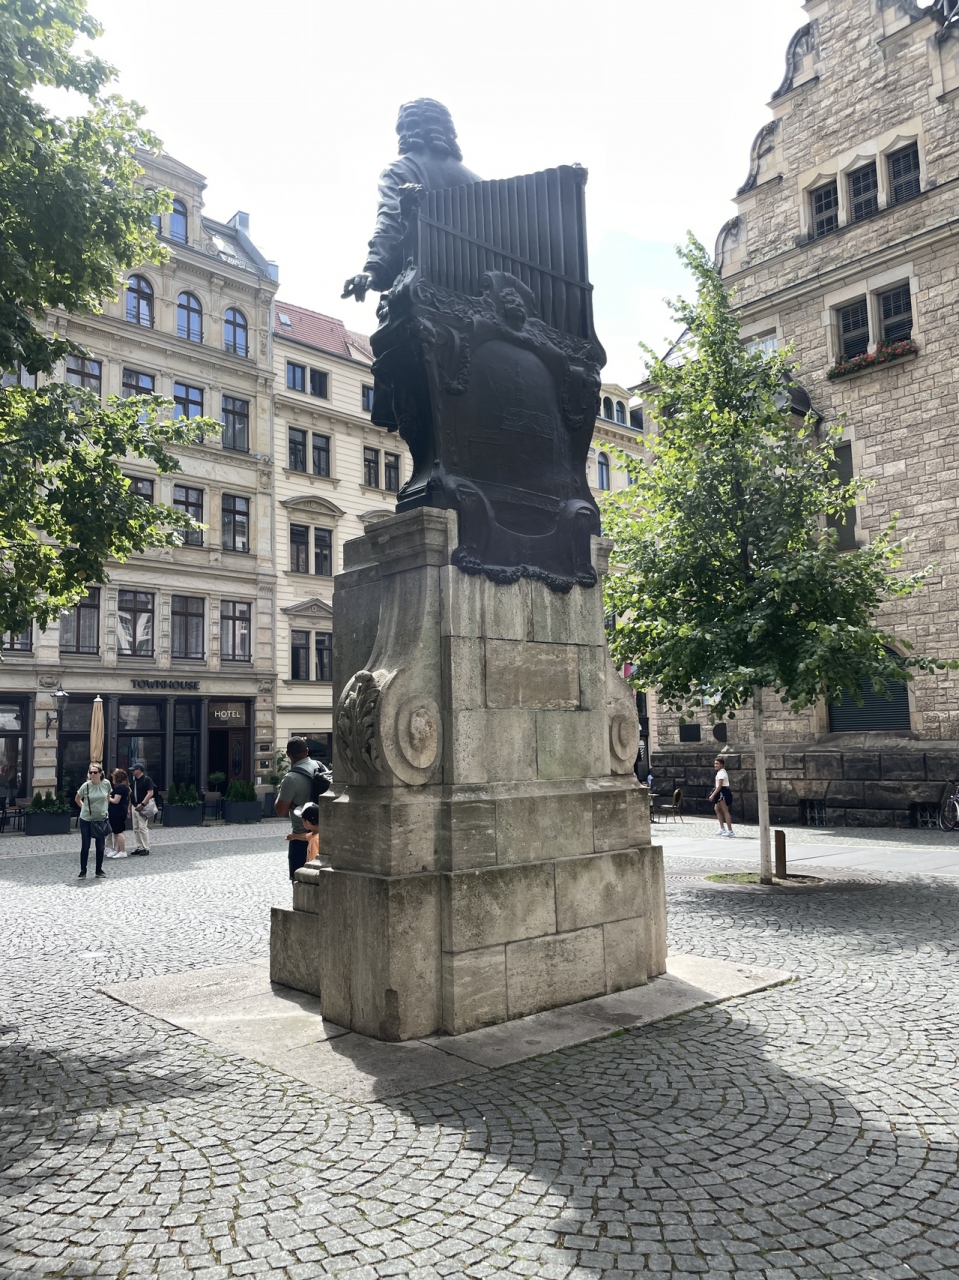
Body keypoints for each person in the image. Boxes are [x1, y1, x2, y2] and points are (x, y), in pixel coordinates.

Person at [274, 738, 320, 881]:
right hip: (321, 834)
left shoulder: (290, 778)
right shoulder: (319, 766)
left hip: (301, 837)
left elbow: (281, 811)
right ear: (307, 751)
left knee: (299, 881)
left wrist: (280, 793)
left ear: (288, 754)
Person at [75, 762, 111, 878]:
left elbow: (107, 797)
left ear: (101, 773)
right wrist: (84, 808)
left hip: (101, 819)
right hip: (86, 819)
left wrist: (105, 809)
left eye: (95, 772)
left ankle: (99, 870)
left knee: (100, 846)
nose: (93, 774)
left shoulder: (106, 784)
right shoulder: (86, 786)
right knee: (86, 845)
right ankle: (83, 870)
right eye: (91, 772)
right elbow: (77, 799)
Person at [129, 762, 156, 856]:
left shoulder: (146, 779)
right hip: (134, 806)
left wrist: (142, 804)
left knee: (142, 827)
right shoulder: (134, 781)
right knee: (136, 828)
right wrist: (129, 808)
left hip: (142, 806)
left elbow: (150, 793)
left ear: (139, 770)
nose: (132, 771)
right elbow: (131, 795)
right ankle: (140, 847)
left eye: (134, 770)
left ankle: (146, 847)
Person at [105, 768, 130, 858]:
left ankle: (122, 851)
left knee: (119, 831)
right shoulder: (124, 787)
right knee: (117, 831)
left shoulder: (120, 788)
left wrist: (108, 798)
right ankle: (118, 850)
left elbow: (116, 801)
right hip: (120, 810)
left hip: (118, 811)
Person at [287, 802, 321, 866]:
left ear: (307, 822)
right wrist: (294, 836)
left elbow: (314, 861)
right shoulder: (317, 834)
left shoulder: (315, 840)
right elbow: (306, 836)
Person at [709, 757, 735, 837]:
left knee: (725, 810)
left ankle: (730, 830)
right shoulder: (719, 772)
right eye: (715, 764)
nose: (715, 765)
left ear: (721, 765)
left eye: (717, 764)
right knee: (717, 809)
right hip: (720, 792)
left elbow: (720, 786)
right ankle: (722, 828)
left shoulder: (721, 773)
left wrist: (713, 795)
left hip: (722, 792)